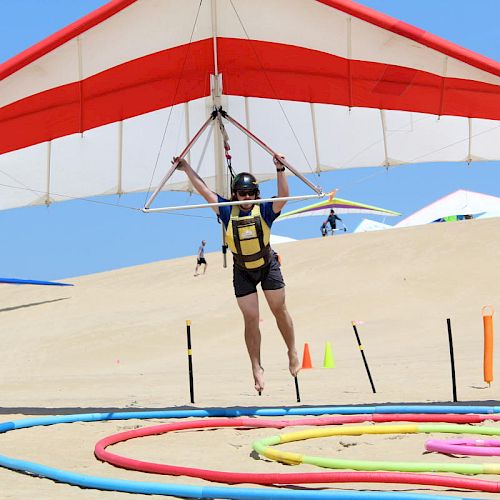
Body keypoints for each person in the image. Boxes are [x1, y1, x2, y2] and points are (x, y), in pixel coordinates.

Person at [175, 154, 300, 394]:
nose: (246, 198)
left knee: (278, 309)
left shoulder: (264, 209)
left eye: (250, 193)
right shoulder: (226, 210)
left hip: (267, 266)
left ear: (255, 194)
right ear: (235, 195)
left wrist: (280, 169)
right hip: (242, 270)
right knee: (251, 318)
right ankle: (256, 367)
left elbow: (284, 196)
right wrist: (186, 168)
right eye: (242, 194)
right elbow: (203, 190)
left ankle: (291, 350)